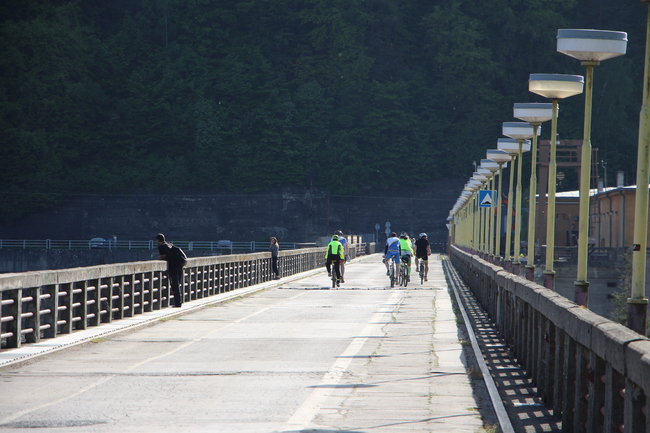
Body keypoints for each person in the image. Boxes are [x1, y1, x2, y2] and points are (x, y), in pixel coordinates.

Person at [156, 233, 184, 308]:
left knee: (175, 286)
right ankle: (179, 301)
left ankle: (178, 303)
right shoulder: (170, 244)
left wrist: (160, 257)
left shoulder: (161, 247)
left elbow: (163, 256)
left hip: (173, 267)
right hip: (179, 266)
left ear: (158, 240)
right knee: (177, 285)